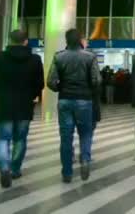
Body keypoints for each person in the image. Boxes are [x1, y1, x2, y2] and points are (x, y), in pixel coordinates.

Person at [0, 30, 44, 188]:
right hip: (24, 106)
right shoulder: (35, 59)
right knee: (20, 139)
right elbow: (40, 84)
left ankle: (4, 168)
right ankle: (15, 169)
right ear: (26, 41)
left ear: (9, 40)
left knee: (3, 139)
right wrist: (31, 96)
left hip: (4, 105)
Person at [47, 29, 101, 183]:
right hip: (85, 101)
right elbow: (97, 80)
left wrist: (61, 89)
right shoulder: (90, 57)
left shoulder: (59, 56)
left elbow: (50, 81)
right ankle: (85, 160)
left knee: (66, 137)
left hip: (65, 101)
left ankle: (67, 172)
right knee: (85, 134)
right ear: (79, 40)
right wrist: (89, 91)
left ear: (67, 40)